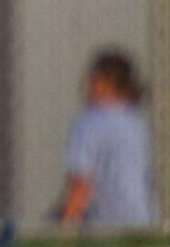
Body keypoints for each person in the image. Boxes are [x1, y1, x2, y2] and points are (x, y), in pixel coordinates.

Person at [57, 49, 155, 229]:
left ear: (101, 82)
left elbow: (81, 184)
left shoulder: (88, 124)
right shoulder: (137, 124)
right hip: (143, 221)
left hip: (105, 226)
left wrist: (66, 227)